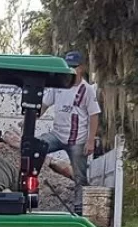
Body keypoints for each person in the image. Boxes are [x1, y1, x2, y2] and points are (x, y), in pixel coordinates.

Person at [38, 50, 101, 215]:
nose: (70, 70)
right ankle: (31, 188)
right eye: (68, 66)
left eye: (74, 67)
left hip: (77, 140)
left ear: (81, 68)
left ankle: (80, 207)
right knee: (36, 147)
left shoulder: (87, 90)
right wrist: (32, 118)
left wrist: (90, 140)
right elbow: (44, 104)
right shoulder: (58, 86)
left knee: (80, 175)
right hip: (57, 134)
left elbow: (94, 115)